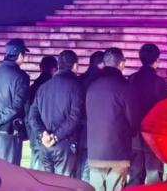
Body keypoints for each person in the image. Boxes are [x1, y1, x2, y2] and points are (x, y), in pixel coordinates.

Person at [27, 49, 84, 178]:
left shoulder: (43, 87)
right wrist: (56, 137)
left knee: (46, 183)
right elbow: (74, 117)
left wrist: (43, 134)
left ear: (58, 66)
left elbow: (32, 117)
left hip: (44, 144)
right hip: (64, 145)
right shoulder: (76, 86)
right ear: (75, 65)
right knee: (63, 184)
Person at [85, 48, 134, 191]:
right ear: (121, 63)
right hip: (118, 151)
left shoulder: (92, 86)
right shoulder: (124, 87)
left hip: (95, 151)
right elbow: (133, 119)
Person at [128, 43, 167, 186]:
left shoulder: (131, 79)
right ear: (156, 60)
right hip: (153, 137)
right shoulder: (159, 82)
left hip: (134, 136)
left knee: (134, 177)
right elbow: (164, 110)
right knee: (154, 178)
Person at [78, 50, 106, 182]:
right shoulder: (101, 82)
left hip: (79, 128)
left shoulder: (80, 80)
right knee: (89, 168)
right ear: (102, 64)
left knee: (80, 163)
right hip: (95, 129)